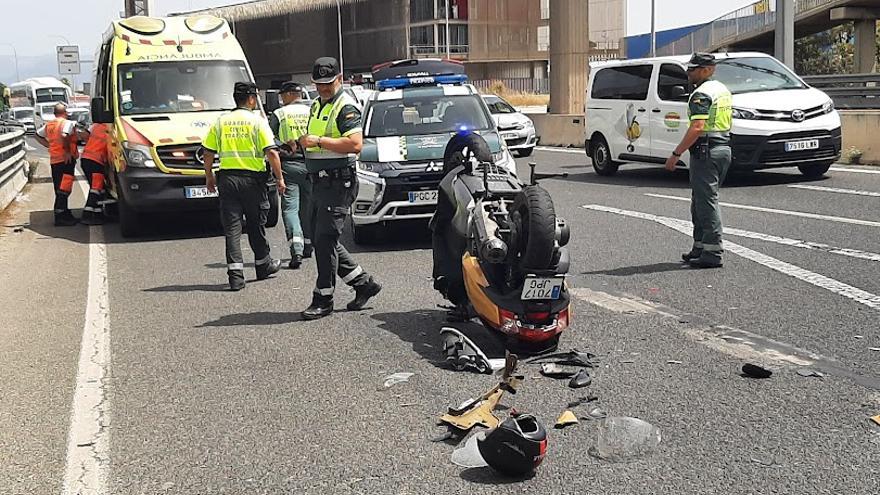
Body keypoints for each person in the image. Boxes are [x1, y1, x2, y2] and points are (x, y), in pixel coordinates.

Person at [298, 57, 381, 320]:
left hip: (338, 182)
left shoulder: (345, 106)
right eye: (319, 84)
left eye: (328, 83)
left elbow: (355, 144)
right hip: (320, 182)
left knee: (324, 240)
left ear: (339, 78)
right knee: (322, 237)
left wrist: (319, 141)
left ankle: (323, 298)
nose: (323, 88)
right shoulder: (317, 104)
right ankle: (363, 283)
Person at [203, 82, 285, 291]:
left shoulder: (221, 122)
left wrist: (209, 177)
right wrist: (279, 178)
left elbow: (208, 152)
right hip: (252, 181)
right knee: (256, 224)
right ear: (250, 98)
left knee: (232, 229)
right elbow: (272, 152)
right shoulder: (257, 122)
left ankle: (236, 276)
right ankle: (263, 265)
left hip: (227, 180)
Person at [664, 53, 733, 269]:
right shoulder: (721, 89)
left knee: (706, 202)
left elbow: (697, 127)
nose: (689, 73)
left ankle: (713, 252)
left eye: (693, 70)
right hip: (721, 146)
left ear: (707, 69)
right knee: (700, 201)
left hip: (706, 150)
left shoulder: (701, 94)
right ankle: (700, 246)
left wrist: (676, 154)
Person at [269, 81, 313, 269]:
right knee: (309, 206)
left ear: (287, 95)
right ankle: (308, 245)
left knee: (290, 208)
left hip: (289, 165)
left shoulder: (279, 114)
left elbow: (270, 140)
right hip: (312, 164)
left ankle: (296, 249)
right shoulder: (313, 111)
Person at [35, 103, 87, 226]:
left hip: (55, 160)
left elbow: (37, 135)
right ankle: (61, 216)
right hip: (66, 161)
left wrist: (49, 146)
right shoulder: (66, 123)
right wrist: (68, 151)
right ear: (65, 113)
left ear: (54, 113)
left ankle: (64, 212)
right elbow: (64, 135)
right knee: (64, 188)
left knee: (59, 187)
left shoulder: (50, 124)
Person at [79, 122, 110, 225]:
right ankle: (87, 215)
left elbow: (84, 135)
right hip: (96, 161)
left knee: (99, 188)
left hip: (86, 158)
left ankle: (98, 214)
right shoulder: (112, 129)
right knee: (96, 189)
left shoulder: (96, 125)